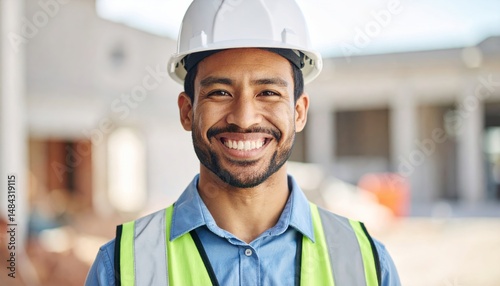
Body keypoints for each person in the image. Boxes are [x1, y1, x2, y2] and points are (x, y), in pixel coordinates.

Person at [85, 0, 401, 285]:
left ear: (300, 112)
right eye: (220, 92)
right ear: (186, 111)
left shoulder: (366, 263)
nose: (245, 118)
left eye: (268, 92)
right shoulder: (120, 268)